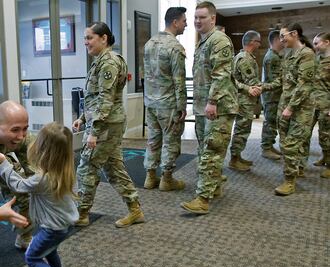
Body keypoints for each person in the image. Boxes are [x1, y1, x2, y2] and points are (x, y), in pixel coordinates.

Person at [73, 22, 144, 228]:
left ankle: (82, 213)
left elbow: (106, 99)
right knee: (113, 168)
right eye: (85, 38)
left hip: (104, 125)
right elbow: (95, 98)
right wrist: (83, 118)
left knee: (86, 166)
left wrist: (94, 131)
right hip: (105, 122)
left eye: (89, 38)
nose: (86, 42)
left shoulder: (109, 62)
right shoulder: (100, 61)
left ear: (104, 38)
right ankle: (135, 209)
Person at [0, 122, 78, 267]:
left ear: (43, 150)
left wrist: (4, 163)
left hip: (53, 229)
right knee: (50, 251)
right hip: (63, 226)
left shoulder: (42, 179)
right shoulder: (64, 171)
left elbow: (17, 185)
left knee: (32, 257)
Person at [180, 1, 238, 214]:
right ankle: (214, 187)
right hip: (204, 107)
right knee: (205, 149)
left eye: (202, 17)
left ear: (213, 19)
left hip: (218, 107)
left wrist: (212, 101)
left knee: (211, 151)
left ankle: (202, 199)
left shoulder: (219, 41)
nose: (197, 21)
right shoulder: (203, 42)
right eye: (195, 17)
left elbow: (221, 74)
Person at [143, 7, 187, 191]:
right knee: (171, 140)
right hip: (168, 104)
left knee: (153, 140)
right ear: (175, 22)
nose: (186, 24)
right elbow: (179, 80)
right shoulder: (175, 47)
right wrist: (182, 106)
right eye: (184, 21)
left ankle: (150, 177)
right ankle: (166, 179)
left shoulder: (149, 43)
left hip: (151, 102)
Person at [275, 23, 316, 195]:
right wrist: (262, 87)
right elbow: (284, 81)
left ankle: (289, 181)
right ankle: (296, 167)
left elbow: (304, 85)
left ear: (294, 34)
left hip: (301, 108)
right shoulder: (288, 54)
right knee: (285, 142)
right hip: (285, 104)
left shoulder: (307, 54)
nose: (281, 39)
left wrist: (291, 107)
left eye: (283, 36)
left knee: (291, 144)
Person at [0, 100, 34, 249]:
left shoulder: (22, 137)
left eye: (24, 128)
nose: (21, 136)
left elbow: (36, 166)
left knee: (25, 192)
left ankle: (24, 236)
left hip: (2, 160)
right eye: (15, 130)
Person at [229, 30, 263, 171]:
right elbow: (252, 82)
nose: (260, 45)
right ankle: (234, 159)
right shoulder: (245, 59)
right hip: (244, 100)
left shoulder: (244, 56)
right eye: (259, 42)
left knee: (243, 129)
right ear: (252, 42)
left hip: (245, 100)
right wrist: (266, 86)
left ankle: (238, 156)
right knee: (242, 130)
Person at [261, 30, 283, 160]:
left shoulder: (275, 55)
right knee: (270, 122)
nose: (283, 41)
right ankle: (266, 148)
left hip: (274, 95)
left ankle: (269, 145)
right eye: (281, 38)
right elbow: (273, 79)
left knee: (272, 122)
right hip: (272, 96)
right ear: (275, 40)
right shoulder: (272, 57)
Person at [311, 32, 330, 178]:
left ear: (327, 42)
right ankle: (325, 157)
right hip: (313, 103)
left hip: (326, 105)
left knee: (327, 135)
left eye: (317, 43)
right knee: (319, 135)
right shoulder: (316, 59)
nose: (314, 46)